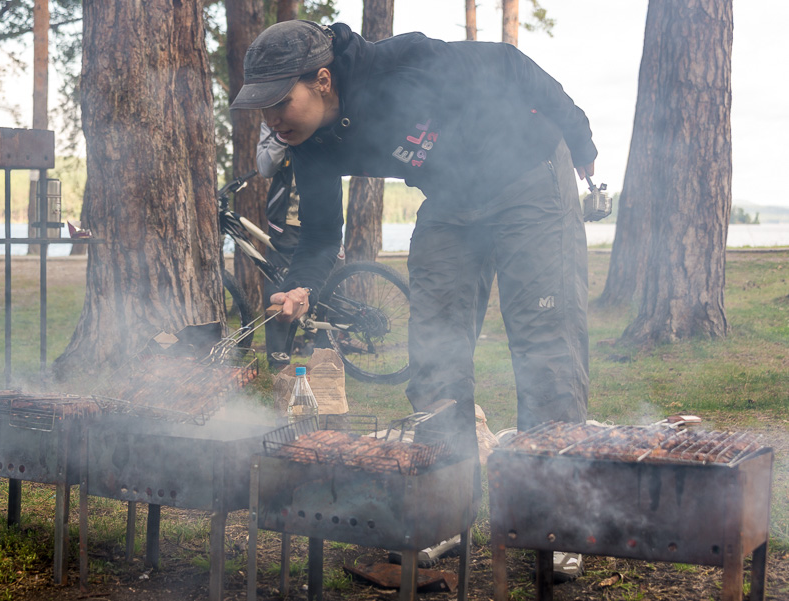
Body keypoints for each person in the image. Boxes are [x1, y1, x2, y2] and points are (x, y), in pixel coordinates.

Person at [231, 20, 594, 581]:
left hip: (528, 174)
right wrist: (300, 284)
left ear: (322, 80)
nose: (271, 120)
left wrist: (581, 136)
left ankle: (556, 519)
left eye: (279, 102)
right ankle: (446, 510)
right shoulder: (309, 143)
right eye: (262, 108)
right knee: (434, 354)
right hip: (451, 199)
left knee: (545, 344)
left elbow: (506, 62)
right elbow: (323, 235)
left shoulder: (400, 66)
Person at [256, 122, 345, 369]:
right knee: (280, 290)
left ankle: (325, 360)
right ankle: (278, 360)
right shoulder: (274, 124)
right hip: (285, 226)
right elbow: (265, 167)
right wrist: (284, 132)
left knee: (325, 289)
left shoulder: (326, 119)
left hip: (321, 224)